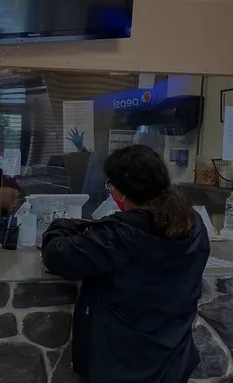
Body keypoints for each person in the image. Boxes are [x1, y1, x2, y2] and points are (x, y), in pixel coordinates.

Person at [41, 145, 209, 383]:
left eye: (111, 184)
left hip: (119, 363)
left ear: (124, 190)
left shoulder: (118, 233)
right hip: (172, 361)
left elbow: (59, 256)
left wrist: (61, 226)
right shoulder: (194, 224)